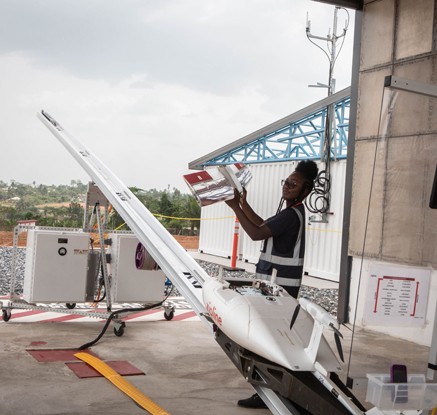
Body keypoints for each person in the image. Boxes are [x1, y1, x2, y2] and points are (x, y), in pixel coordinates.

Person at [225, 159, 318, 409]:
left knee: (271, 341)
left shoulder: (291, 215)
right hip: (275, 285)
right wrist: (243, 203)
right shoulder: (289, 212)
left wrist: (235, 208)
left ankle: (271, 393)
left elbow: (256, 233)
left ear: (305, 189)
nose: (287, 186)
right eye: (286, 182)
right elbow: (261, 224)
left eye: (293, 184)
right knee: (273, 339)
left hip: (279, 288)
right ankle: (271, 391)